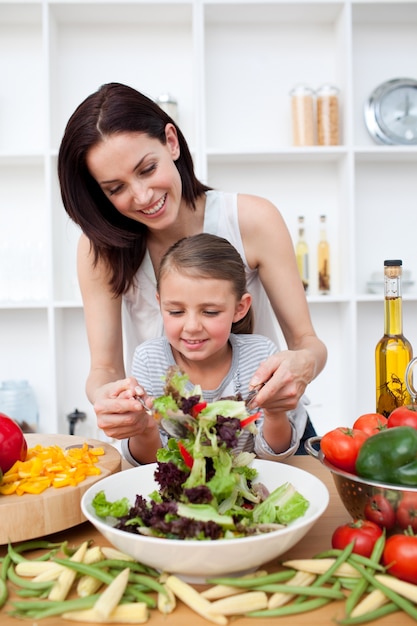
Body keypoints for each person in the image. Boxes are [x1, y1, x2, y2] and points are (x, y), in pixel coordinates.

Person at [57, 82, 327, 449]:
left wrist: (301, 366)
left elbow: (307, 342)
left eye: (147, 168)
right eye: (115, 188)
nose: (142, 196)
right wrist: (108, 397)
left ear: (171, 141)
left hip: (267, 437)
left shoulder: (252, 219)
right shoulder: (100, 249)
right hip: (168, 444)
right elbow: (104, 369)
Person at [123, 233, 296, 465]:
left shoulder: (260, 355)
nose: (192, 327)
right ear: (160, 303)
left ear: (240, 308)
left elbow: (275, 454)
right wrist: (144, 429)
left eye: (210, 312)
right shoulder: (149, 359)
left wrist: (275, 414)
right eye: (176, 311)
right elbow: (151, 463)